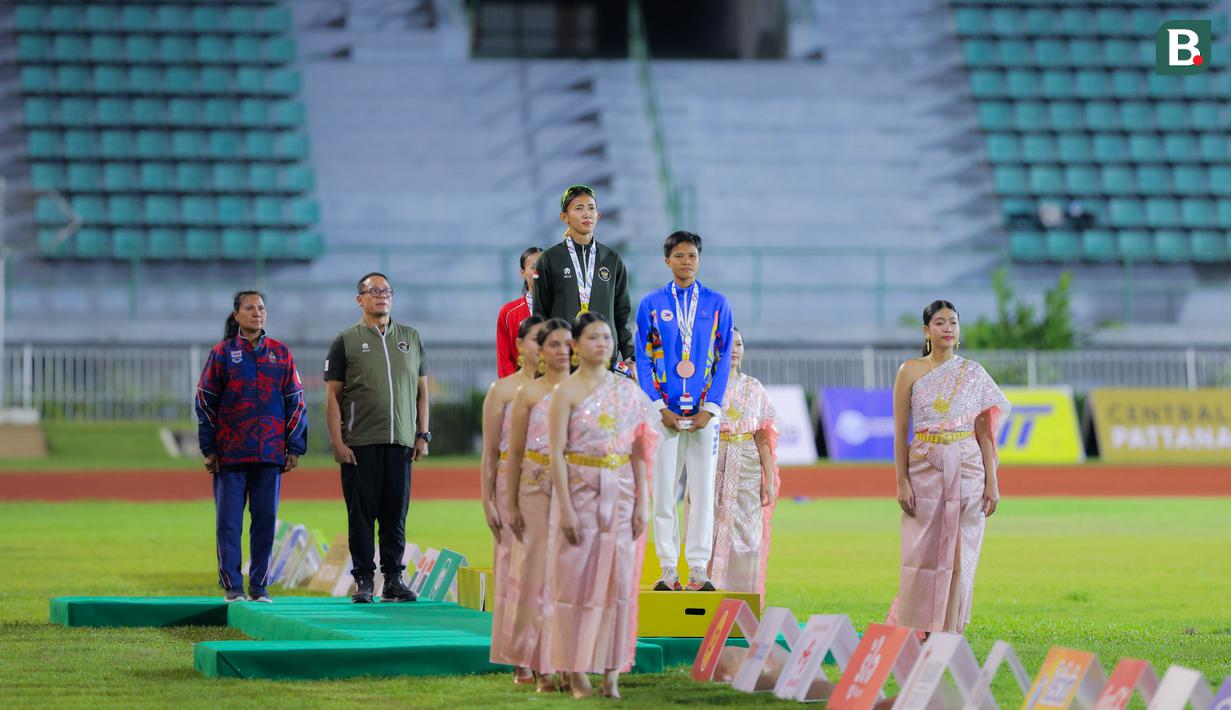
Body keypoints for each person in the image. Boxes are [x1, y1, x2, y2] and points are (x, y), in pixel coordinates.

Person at [546, 313, 655, 699]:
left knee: (620, 584)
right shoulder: (566, 393)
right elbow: (556, 453)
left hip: (622, 494)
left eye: (607, 337)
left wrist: (644, 501)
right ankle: (574, 670)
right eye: (593, 338)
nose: (603, 344)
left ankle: (612, 671)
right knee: (576, 583)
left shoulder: (628, 391)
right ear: (575, 345)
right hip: (580, 490)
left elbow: (642, 450)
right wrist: (567, 508)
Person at [887, 300, 1010, 633]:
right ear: (926, 330)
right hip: (925, 467)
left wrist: (992, 481)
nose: (947, 329)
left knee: (961, 550)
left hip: (969, 468)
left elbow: (985, 432)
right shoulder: (910, 370)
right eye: (940, 323)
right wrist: (902, 481)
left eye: (953, 323)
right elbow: (900, 432)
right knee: (921, 550)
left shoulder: (973, 373)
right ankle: (917, 626)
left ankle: (951, 627)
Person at [635, 231, 734, 593]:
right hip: (664, 414)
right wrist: (659, 406)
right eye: (679, 256)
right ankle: (666, 568)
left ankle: (697, 569)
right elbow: (643, 358)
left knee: (702, 492)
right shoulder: (650, 304)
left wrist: (710, 406)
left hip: (705, 413)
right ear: (667, 260)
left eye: (691, 256)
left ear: (699, 259)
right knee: (663, 492)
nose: (686, 262)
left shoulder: (718, 303)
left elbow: (724, 357)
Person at [324, 272, 430, 604]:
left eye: (386, 291)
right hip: (359, 443)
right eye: (374, 291)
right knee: (361, 516)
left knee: (395, 515)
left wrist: (422, 434)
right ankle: (364, 582)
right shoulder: (346, 340)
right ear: (360, 299)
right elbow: (332, 397)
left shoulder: (410, 337)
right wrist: (338, 443)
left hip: (400, 443)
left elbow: (421, 392)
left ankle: (395, 579)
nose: (381, 296)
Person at [196, 290, 307, 603]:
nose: (257, 313)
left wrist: (294, 446)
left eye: (261, 308)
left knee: (265, 523)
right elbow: (205, 401)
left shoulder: (281, 354)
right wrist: (209, 448)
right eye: (249, 308)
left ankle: (259, 587)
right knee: (228, 524)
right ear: (237, 315)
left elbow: (296, 401)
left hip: (269, 453)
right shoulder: (221, 354)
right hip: (230, 454)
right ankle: (233, 587)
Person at [504, 317, 571, 692]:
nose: (562, 351)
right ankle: (533, 662)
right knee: (534, 579)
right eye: (554, 345)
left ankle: (564, 660)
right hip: (535, 493)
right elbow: (513, 453)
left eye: (567, 344)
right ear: (540, 351)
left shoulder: (584, 392)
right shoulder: (527, 395)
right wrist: (511, 504)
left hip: (574, 495)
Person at [481, 314, 545, 683]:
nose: (544, 348)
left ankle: (546, 654)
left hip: (549, 488)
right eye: (537, 340)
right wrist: (487, 502)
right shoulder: (501, 391)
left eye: (550, 340)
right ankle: (520, 658)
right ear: (519, 346)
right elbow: (490, 454)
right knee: (514, 572)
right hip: (510, 489)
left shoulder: (560, 391)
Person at [709, 328, 779, 601]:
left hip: (749, 467)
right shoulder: (707, 386)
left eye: (739, 344)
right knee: (712, 530)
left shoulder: (754, 388)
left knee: (748, 537)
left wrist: (769, 479)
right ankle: (710, 597)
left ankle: (744, 603)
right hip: (716, 463)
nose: (734, 350)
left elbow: (764, 437)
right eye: (727, 344)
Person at [532, 185, 635, 368]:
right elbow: (541, 314)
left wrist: (629, 356)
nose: (586, 214)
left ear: (598, 215)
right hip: (563, 360)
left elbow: (622, 312)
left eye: (591, 208)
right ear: (564, 217)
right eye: (579, 208)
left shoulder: (612, 259)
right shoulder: (549, 259)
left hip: (603, 359)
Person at [496, 246, 543, 378]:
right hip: (519, 389)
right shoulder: (508, 312)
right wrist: (514, 389)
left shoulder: (559, 307)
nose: (538, 272)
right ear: (522, 273)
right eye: (533, 267)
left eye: (543, 266)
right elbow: (504, 358)